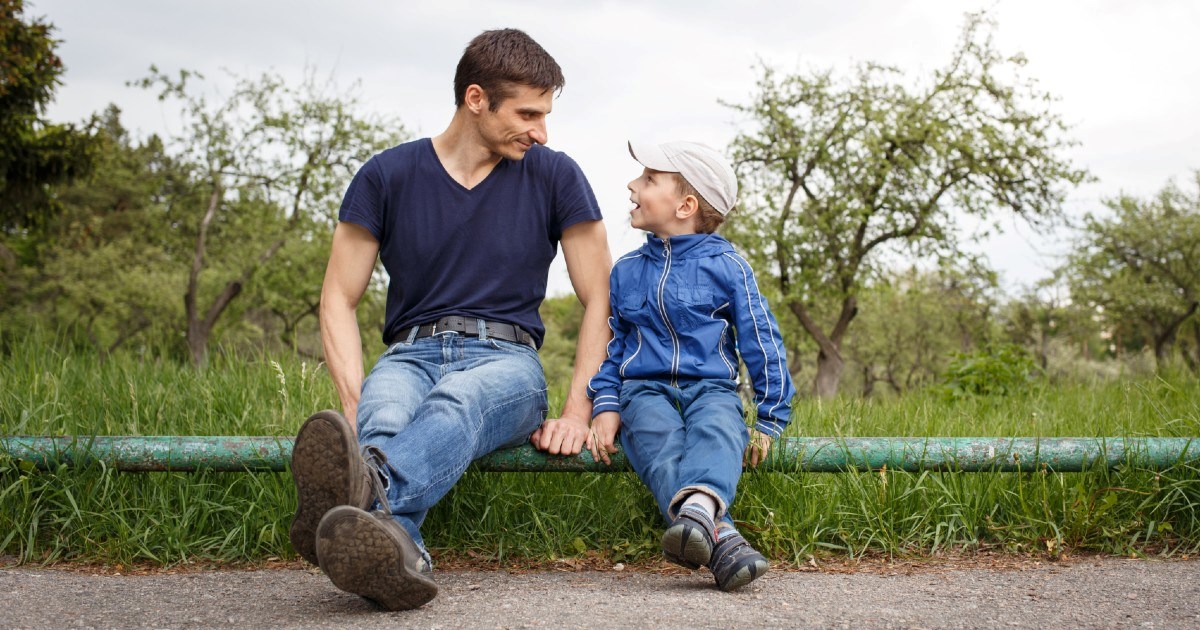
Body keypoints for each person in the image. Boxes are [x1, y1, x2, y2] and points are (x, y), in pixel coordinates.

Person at [289, 29, 613, 611]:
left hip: (507, 364)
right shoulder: (385, 176)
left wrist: (576, 411)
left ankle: (362, 493)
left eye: (546, 114)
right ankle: (401, 558)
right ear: (476, 99)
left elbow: (602, 298)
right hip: (409, 354)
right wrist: (353, 398)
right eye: (529, 113)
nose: (542, 131)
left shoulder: (555, 174)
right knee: (383, 420)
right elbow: (337, 297)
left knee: (457, 401)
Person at [587, 140, 797, 591]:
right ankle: (723, 540)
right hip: (643, 389)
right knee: (655, 442)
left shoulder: (729, 267)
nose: (632, 185)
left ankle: (703, 518)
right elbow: (616, 345)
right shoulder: (626, 270)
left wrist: (770, 419)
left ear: (685, 205)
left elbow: (762, 341)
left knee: (720, 430)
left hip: (712, 386)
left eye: (648, 179)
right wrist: (605, 403)